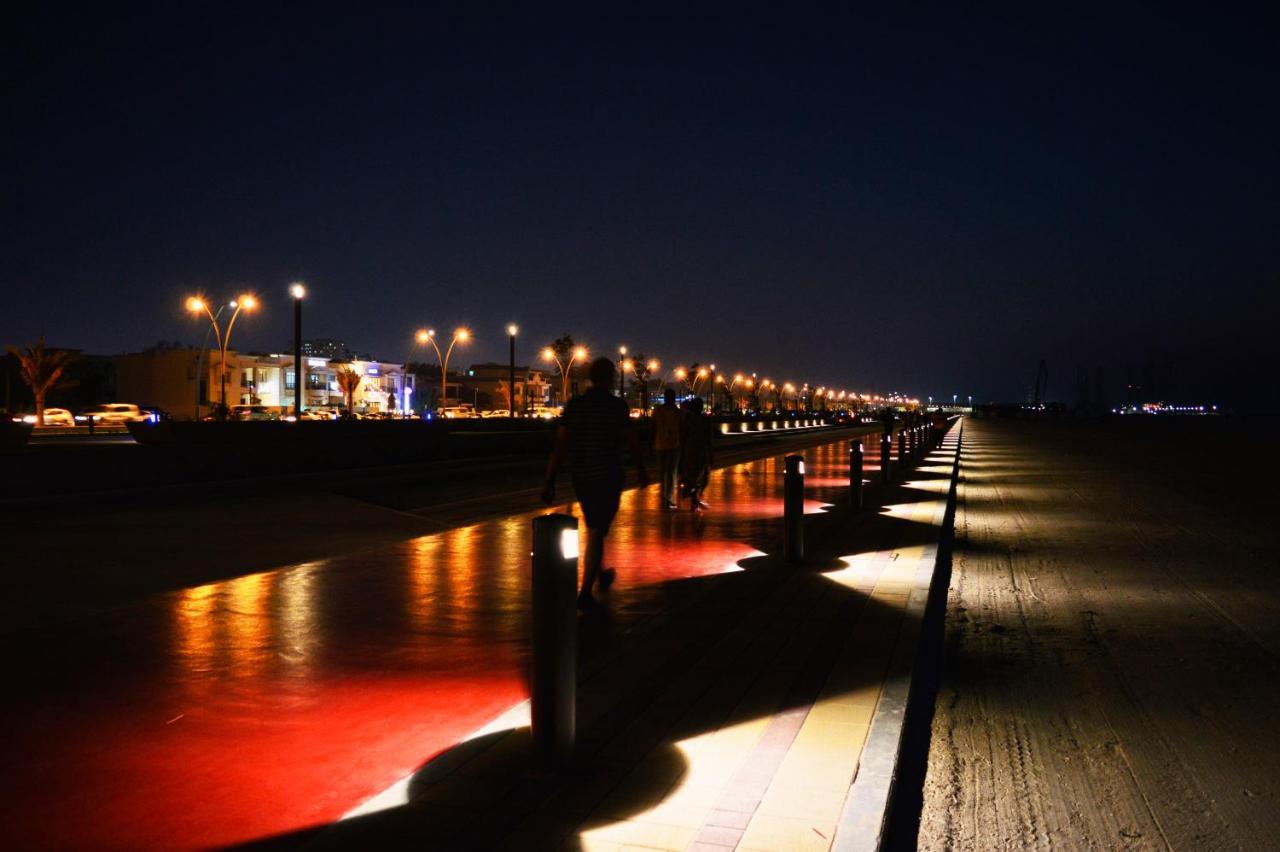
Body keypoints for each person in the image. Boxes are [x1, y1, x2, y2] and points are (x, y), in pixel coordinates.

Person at [542, 357, 649, 612]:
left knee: (595, 529)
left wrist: (549, 480)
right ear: (611, 378)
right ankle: (585, 591)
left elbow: (560, 445)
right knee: (598, 530)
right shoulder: (617, 407)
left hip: (582, 476)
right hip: (609, 476)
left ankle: (599, 573)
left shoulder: (575, 406)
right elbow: (632, 442)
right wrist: (642, 469)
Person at [678, 396, 714, 510]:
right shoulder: (704, 420)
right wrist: (711, 453)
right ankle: (695, 498)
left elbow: (682, 436)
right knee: (702, 476)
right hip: (700, 451)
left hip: (690, 451)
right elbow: (709, 438)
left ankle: (694, 498)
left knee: (692, 476)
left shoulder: (687, 419)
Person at [652, 387, 683, 509]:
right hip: (674, 446)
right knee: (671, 473)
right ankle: (668, 498)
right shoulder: (678, 412)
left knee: (663, 473)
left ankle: (664, 497)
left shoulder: (658, 410)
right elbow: (682, 429)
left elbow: (653, 427)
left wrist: (651, 442)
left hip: (661, 445)